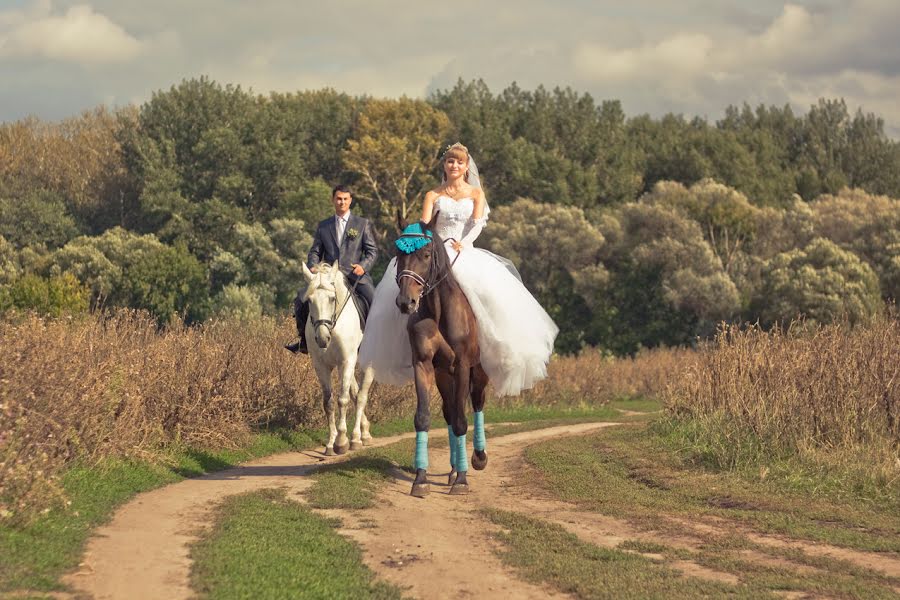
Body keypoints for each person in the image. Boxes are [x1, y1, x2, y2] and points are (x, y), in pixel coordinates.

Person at [358, 143, 558, 396]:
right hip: (436, 252)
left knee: (487, 296)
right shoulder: (433, 194)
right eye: (450, 162)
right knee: (401, 293)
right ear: (445, 166)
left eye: (459, 163)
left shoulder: (475, 193)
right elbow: (426, 227)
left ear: (466, 167)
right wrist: (410, 237)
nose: (454, 166)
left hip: (465, 250)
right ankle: (409, 351)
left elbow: (477, 224)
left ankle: (490, 348)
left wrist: (465, 242)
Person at [285, 185, 378, 354]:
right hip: (328, 277)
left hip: (354, 275)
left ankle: (373, 340)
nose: (341, 202)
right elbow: (315, 251)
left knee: (374, 299)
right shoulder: (324, 226)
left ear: (350, 201)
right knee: (300, 299)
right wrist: (313, 265)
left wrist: (362, 267)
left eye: (345, 199)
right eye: (338, 199)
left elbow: (372, 252)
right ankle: (304, 340)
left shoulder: (362, 224)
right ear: (333, 200)